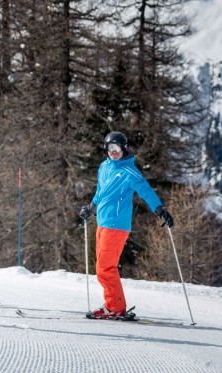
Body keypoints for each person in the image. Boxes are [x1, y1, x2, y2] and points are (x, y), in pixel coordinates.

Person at [79, 131, 175, 319]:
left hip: (117, 226)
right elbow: (100, 192)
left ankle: (115, 308)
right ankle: (113, 305)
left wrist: (160, 209)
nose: (113, 152)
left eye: (117, 148)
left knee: (105, 268)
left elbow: (146, 191)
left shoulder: (129, 172)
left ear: (124, 148)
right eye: (109, 148)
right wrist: (91, 208)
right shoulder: (104, 167)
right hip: (103, 224)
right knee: (102, 268)